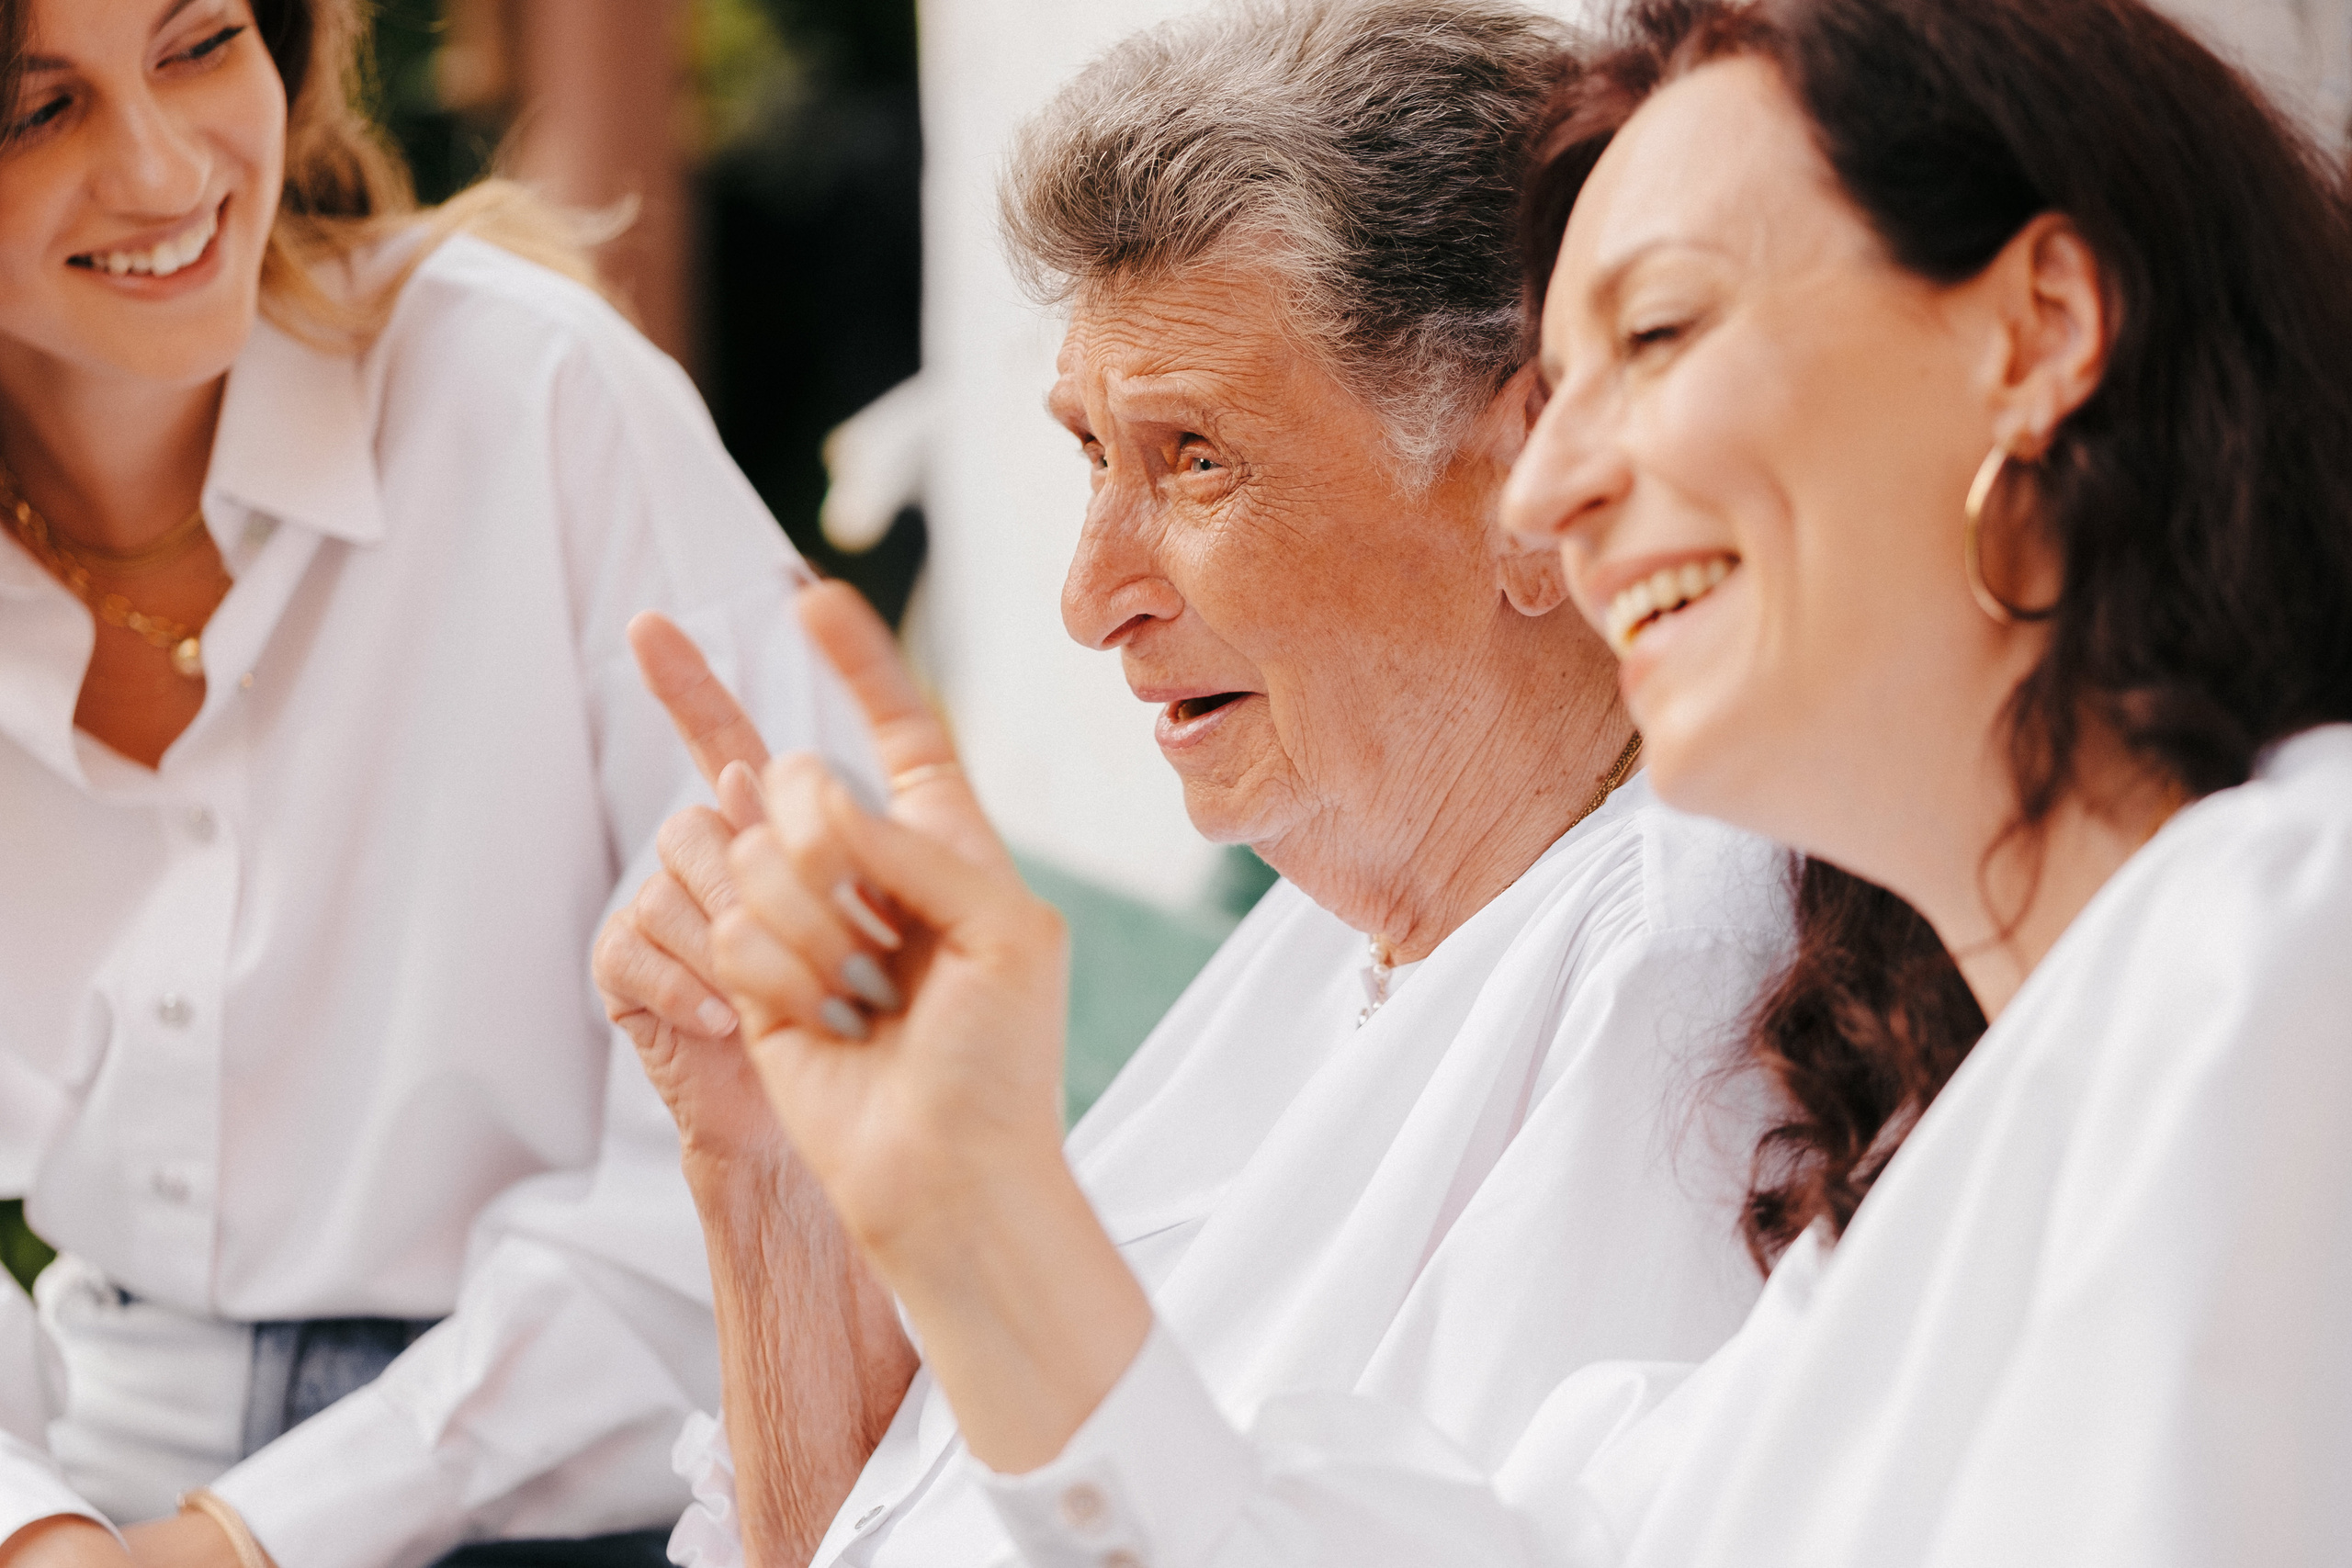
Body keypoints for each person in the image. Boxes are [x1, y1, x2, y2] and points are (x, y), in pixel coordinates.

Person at [690, 0, 2352, 1563]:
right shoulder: (1888, 1234)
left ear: (2039, 334)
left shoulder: (2276, 935)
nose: (1549, 478)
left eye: (1657, 332)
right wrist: (925, 1205)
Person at [589, 4, 1794, 1564]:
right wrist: (768, 1186)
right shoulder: (1338, 916)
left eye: (1196, 458)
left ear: (1529, 478)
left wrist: (971, 1216)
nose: (1094, 596)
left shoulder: (1678, 994)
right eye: (1093, 452)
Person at [0, 2, 877, 1566]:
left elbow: (818, 1098)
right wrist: (41, 1528)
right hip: (93, 1452)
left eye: (199, 44)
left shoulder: (536, 393)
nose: (161, 168)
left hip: (589, 1476)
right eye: (32, 110)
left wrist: (244, 1540)